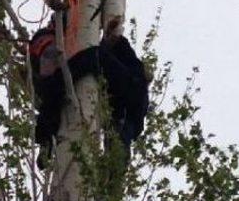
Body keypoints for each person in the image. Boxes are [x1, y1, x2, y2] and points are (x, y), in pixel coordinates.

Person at [29, 18, 149, 169]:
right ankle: (46, 140)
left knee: (90, 58)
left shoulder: (110, 50)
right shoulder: (52, 39)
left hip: (130, 91)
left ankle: (46, 138)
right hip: (127, 97)